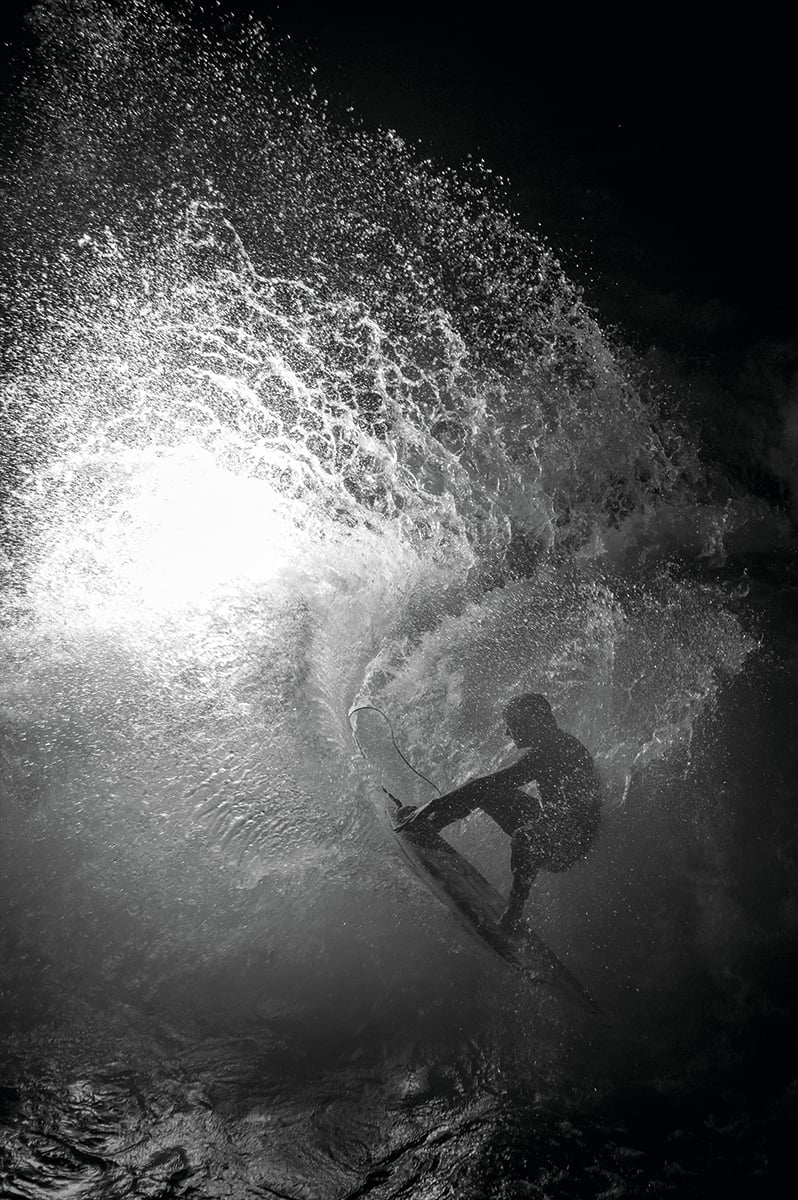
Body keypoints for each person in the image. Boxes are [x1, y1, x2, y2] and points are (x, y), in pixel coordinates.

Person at [395, 693, 601, 933]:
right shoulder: (554, 743)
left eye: (510, 726)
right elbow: (486, 787)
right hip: (556, 827)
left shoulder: (551, 750)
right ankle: (432, 826)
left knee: (524, 837)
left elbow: (485, 785)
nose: (507, 733)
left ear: (530, 723)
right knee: (490, 793)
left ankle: (514, 914)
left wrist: (431, 805)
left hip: (567, 846)